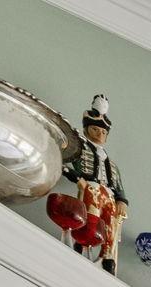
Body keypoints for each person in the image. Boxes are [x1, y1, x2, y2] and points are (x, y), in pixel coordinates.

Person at [63, 95, 127, 274]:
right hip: (91, 188)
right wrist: (78, 179)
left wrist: (122, 200)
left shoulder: (112, 164)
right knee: (91, 216)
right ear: (87, 130)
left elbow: (118, 185)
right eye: (96, 130)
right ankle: (82, 244)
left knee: (111, 222)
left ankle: (107, 257)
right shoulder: (80, 150)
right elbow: (63, 165)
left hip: (109, 195)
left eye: (103, 132)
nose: (100, 134)